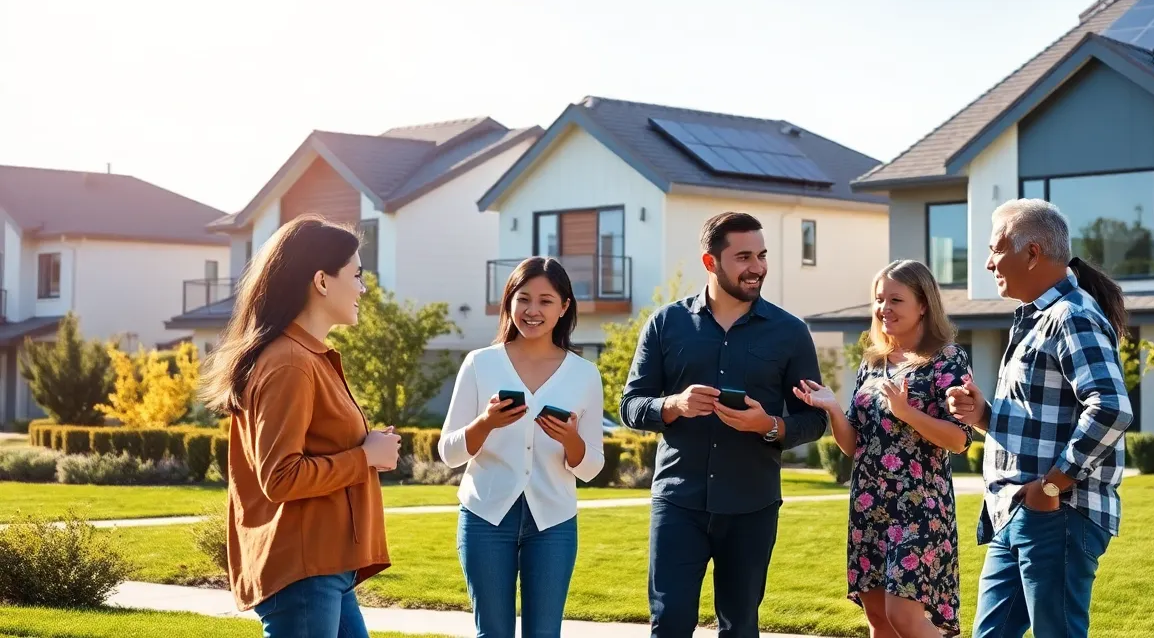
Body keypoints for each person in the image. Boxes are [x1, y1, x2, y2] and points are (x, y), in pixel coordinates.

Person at [620, 211, 829, 638]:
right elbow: (630, 404)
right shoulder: (666, 324)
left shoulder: (790, 333)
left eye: (762, 256)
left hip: (752, 505)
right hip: (679, 502)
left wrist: (768, 425)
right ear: (710, 262)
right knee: (670, 623)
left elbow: (815, 419)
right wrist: (672, 405)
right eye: (744, 257)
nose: (757, 268)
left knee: (740, 627)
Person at [199, 214, 400, 638]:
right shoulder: (290, 362)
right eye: (357, 275)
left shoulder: (304, 356)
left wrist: (368, 448)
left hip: (325, 566)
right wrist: (364, 456)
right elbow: (280, 477)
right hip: (305, 570)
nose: (363, 288)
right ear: (322, 281)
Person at [945, 199, 1134, 638]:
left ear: (1031, 253)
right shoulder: (1036, 319)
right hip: (1018, 511)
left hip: (1057, 513)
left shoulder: (1073, 316)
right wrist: (985, 416)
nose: (988, 262)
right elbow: (1042, 420)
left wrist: (1051, 485)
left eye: (995, 249)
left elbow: (1111, 408)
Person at [795, 260, 973, 638]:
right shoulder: (873, 362)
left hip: (920, 507)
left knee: (905, 617)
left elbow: (959, 440)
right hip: (869, 506)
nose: (884, 308)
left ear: (923, 304)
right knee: (878, 618)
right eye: (879, 299)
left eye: (896, 299)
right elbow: (854, 445)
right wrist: (831, 408)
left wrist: (906, 412)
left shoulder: (947, 359)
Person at [438, 256, 605, 638]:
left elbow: (591, 466)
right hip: (485, 518)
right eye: (523, 298)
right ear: (509, 301)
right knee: (492, 633)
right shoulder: (480, 363)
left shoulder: (584, 374)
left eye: (546, 301)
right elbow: (448, 453)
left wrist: (570, 440)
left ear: (564, 307)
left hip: (554, 522)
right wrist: (486, 423)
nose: (533, 310)